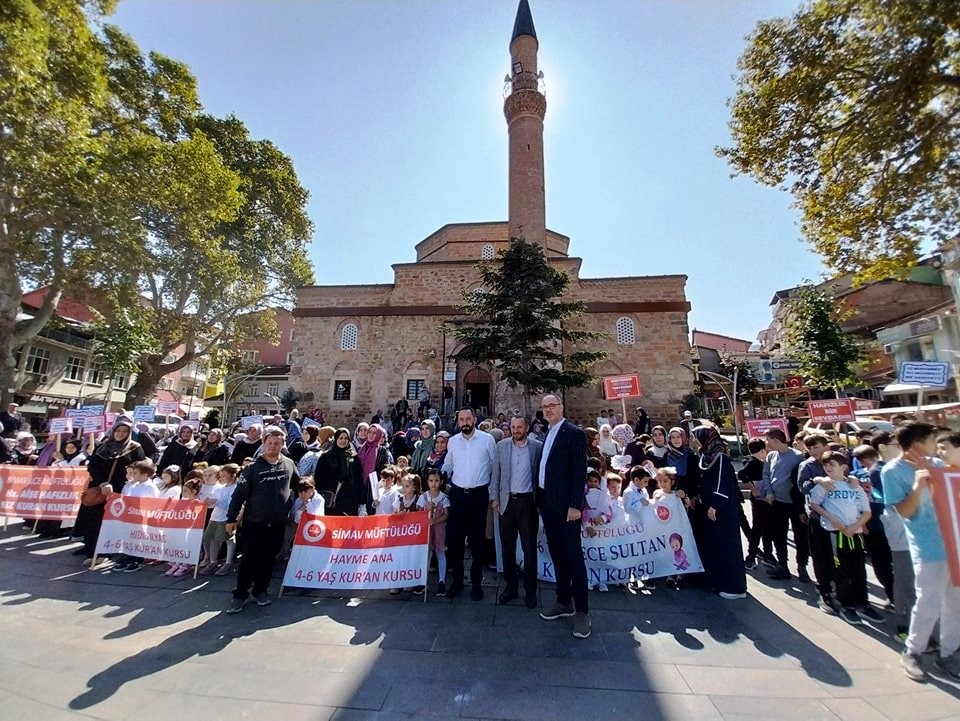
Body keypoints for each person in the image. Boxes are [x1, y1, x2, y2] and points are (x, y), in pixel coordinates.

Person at [883, 422, 960, 681]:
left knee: (955, 602)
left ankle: (949, 654)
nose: (936, 447)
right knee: (928, 601)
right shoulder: (892, 471)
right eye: (932, 441)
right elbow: (904, 513)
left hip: (954, 543)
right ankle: (913, 651)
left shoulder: (938, 466)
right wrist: (918, 486)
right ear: (918, 444)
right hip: (928, 548)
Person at [224, 425, 299, 613]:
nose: (273, 446)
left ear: (282, 444)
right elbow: (238, 495)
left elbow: (299, 485)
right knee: (249, 560)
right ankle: (240, 595)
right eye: (269, 443)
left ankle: (261, 591)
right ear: (263, 443)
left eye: (277, 443)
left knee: (268, 559)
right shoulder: (252, 468)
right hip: (254, 523)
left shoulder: (289, 464)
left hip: (277, 523)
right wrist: (231, 518)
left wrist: (299, 503)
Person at [536, 395, 591, 639]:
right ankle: (563, 600)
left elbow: (579, 471)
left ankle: (582, 611)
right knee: (557, 553)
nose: (548, 410)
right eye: (545, 406)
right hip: (549, 504)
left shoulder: (573, 433)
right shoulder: (547, 433)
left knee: (573, 557)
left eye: (552, 406)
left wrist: (575, 505)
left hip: (567, 508)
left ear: (561, 408)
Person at [808, 450, 880, 626]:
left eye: (832, 464)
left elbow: (866, 511)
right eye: (825, 465)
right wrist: (832, 519)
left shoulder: (854, 486)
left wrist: (855, 526)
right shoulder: (824, 485)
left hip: (855, 534)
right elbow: (814, 504)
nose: (828, 468)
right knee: (840, 570)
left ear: (844, 467)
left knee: (858, 569)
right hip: (835, 533)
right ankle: (846, 604)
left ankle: (862, 603)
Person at [443, 407, 497, 601]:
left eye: (468, 418)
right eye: (461, 419)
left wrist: (493, 491)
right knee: (455, 541)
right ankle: (457, 582)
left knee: (477, 542)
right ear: (458, 422)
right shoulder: (453, 441)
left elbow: (494, 465)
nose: (465, 422)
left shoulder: (487, 439)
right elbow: (448, 465)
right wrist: (441, 478)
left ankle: (476, 583)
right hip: (457, 496)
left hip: (478, 496)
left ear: (474, 419)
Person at [490, 415, 543, 609]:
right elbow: (495, 473)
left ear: (526, 428)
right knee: (507, 547)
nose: (516, 430)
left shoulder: (536, 447)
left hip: (528, 502)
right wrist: (494, 497)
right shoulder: (502, 446)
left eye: (519, 427)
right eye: (513, 427)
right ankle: (510, 587)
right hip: (507, 502)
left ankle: (530, 591)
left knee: (529, 549)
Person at [79, 418, 145, 565]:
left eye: (125, 431)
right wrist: (103, 483)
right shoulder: (102, 447)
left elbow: (140, 467)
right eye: (118, 430)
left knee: (113, 521)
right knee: (95, 520)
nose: (120, 434)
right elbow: (93, 467)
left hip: (121, 490)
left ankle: (108, 552)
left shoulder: (135, 447)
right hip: (101, 489)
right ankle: (93, 550)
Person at [692, 425, 748, 599]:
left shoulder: (720, 457)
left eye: (696, 436)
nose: (694, 440)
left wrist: (715, 504)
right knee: (713, 545)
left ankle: (733, 586)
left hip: (721, 510)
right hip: (707, 507)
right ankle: (716, 581)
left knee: (726, 546)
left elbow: (722, 483)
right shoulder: (706, 456)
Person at [759, 428, 809, 582]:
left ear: (775, 440)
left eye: (767, 440)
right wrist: (768, 491)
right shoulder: (771, 456)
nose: (766, 443)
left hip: (795, 503)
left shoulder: (797, 456)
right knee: (778, 535)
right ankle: (783, 565)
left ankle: (802, 566)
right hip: (776, 502)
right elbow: (766, 474)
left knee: (801, 536)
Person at [113, 459, 161, 573]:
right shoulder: (133, 486)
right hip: (131, 518)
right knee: (130, 537)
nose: (132, 475)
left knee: (139, 538)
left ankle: (138, 559)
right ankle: (128, 556)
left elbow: (155, 503)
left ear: (144, 475)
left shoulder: (150, 487)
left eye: (135, 473)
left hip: (142, 518)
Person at [200, 463, 240, 576]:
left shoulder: (235, 488)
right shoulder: (221, 487)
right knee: (213, 538)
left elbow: (230, 504)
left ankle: (228, 562)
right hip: (215, 516)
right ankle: (213, 561)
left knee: (228, 539)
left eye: (224, 475)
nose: (221, 478)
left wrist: (216, 502)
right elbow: (215, 502)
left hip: (226, 517)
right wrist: (209, 502)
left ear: (233, 475)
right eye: (221, 475)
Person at [739, 438, 773, 569]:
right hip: (760, 499)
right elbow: (742, 475)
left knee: (765, 528)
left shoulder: (758, 462)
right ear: (763, 450)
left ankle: (767, 554)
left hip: (764, 499)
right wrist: (753, 489)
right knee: (758, 528)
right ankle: (751, 556)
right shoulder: (754, 463)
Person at [315, 428, 365, 515]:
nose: (343, 441)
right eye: (340, 438)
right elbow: (318, 478)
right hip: (332, 498)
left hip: (349, 499)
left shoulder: (353, 456)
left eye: (346, 438)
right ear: (336, 439)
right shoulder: (326, 456)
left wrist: (360, 498)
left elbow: (358, 478)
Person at [421, 468, 450, 596]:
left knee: (440, 553)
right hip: (427, 529)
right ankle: (423, 581)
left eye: (437, 481)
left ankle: (442, 581)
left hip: (439, 530)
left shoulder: (443, 498)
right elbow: (419, 512)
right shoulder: (424, 496)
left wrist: (436, 519)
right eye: (431, 481)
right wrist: (427, 512)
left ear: (441, 481)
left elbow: (446, 514)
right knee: (427, 554)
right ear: (427, 482)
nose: (434, 483)